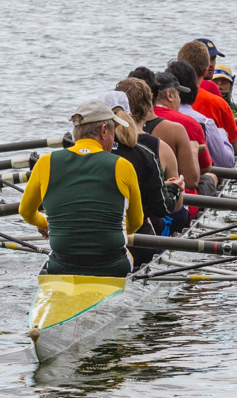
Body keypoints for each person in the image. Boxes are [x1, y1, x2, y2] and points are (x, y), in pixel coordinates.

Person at [18, 100, 144, 277]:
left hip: (62, 266)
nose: (113, 138)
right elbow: (137, 222)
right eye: (114, 131)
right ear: (104, 131)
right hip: (112, 266)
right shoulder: (123, 166)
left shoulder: (44, 163)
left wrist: (45, 225)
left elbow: (25, 211)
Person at [112, 79, 190, 234]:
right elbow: (174, 207)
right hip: (146, 229)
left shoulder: (101, 143)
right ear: (149, 107)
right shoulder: (160, 149)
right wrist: (177, 188)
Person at [166, 59, 234, 170]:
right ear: (194, 88)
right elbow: (226, 163)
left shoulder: (150, 116)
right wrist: (221, 134)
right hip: (192, 181)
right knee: (213, 177)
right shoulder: (205, 123)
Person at [176, 41, 237, 149]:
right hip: (207, 163)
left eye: (214, 60)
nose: (212, 64)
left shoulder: (163, 96)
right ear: (205, 71)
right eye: (209, 59)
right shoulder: (218, 102)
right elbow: (236, 147)